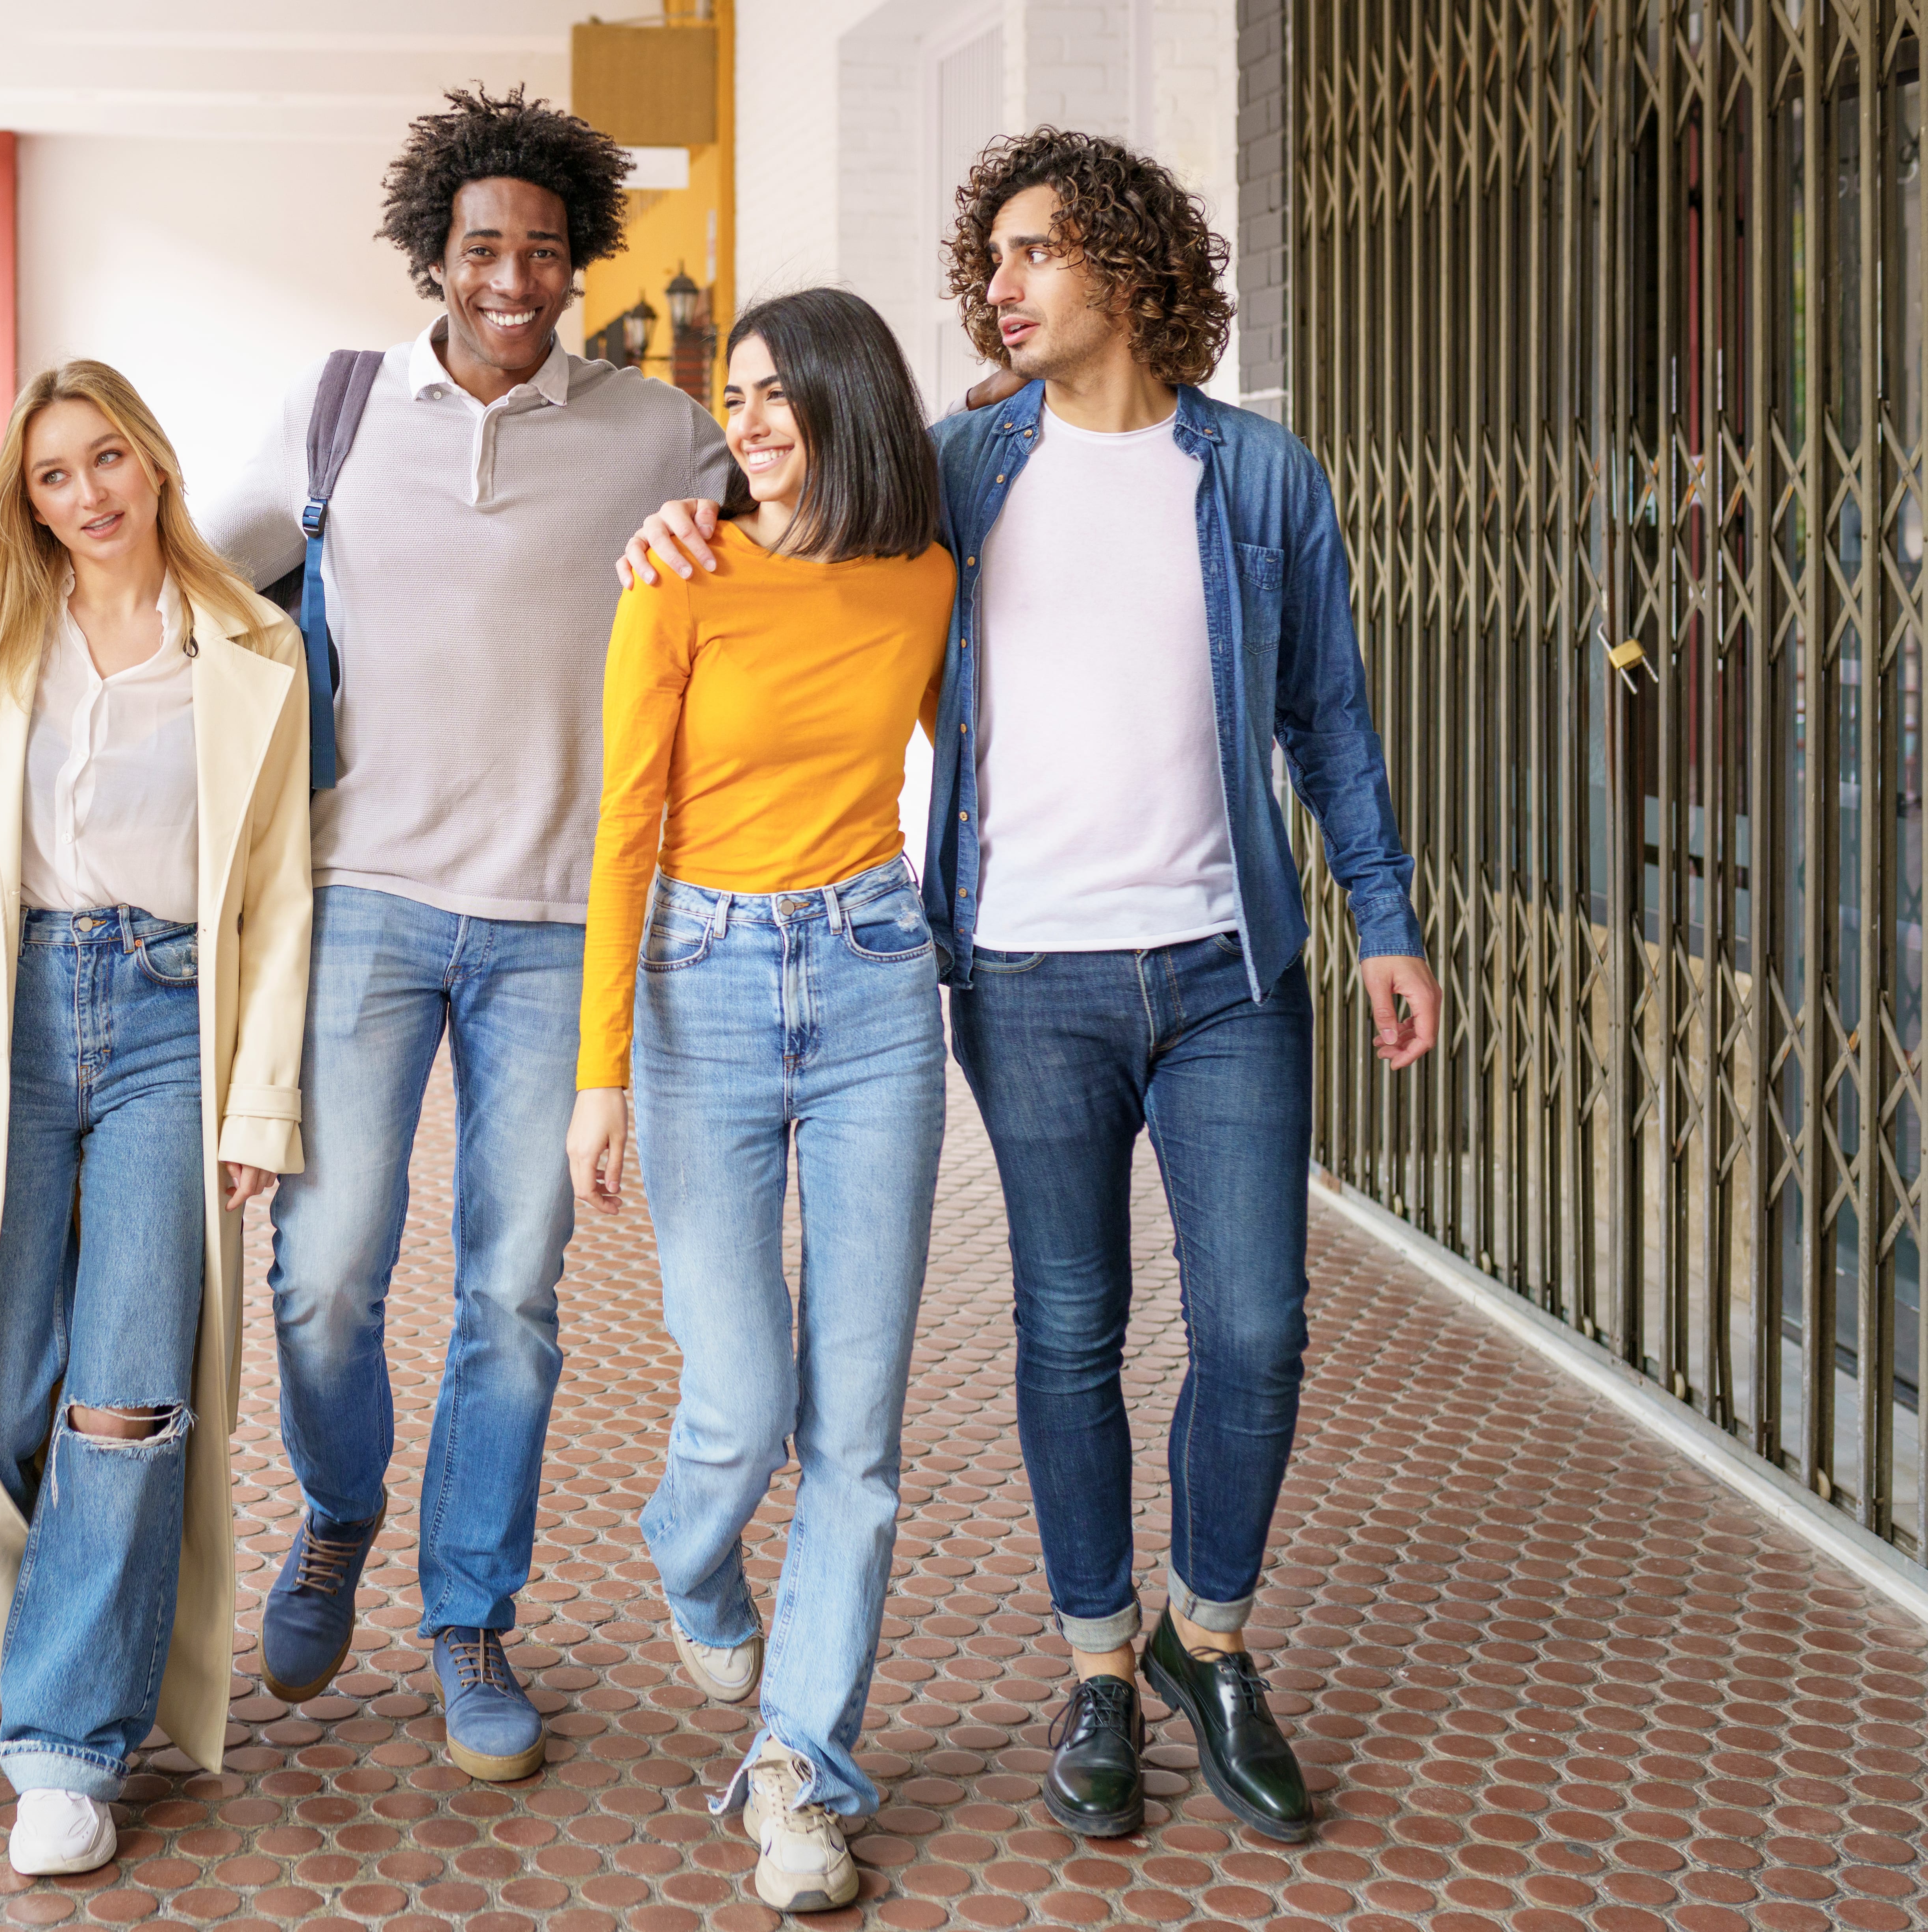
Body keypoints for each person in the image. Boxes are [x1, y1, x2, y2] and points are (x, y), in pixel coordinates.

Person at [622, 128, 1441, 1848]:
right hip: (1022, 973)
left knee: (1254, 1326)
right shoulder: (955, 470)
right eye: (985, 262)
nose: (995, 290)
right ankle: (1094, 1670)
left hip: (1225, 970)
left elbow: (1331, 724)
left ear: (1129, 269)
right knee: (1069, 1331)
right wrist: (676, 525)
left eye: (1030, 255)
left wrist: (1384, 915)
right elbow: (791, 520)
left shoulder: (1260, 479)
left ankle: (1206, 1641)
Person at [194, 85, 732, 1781]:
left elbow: (792, 559)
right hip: (365, 903)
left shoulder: (659, 431)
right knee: (324, 1273)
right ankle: (342, 1514)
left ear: (579, 263)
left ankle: (466, 1609)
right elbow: (188, 588)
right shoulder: (336, 414)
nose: (514, 276)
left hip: (563, 925)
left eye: (544, 250)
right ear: (432, 257)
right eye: (483, 247)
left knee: (513, 1287)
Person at [0, 361, 312, 1878]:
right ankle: (19, 1610)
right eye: (52, 476)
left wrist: (262, 1097)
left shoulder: (251, 643)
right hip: (7, 1018)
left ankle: (67, 1740)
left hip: (171, 1027)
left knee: (127, 1394)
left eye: (105, 458)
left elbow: (281, 891)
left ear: (153, 459)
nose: (86, 496)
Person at [567, 288, 953, 1915]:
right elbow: (624, 829)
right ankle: (688, 1551)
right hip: (699, 990)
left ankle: (800, 1770)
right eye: (735, 394)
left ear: (852, 403)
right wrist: (597, 1074)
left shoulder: (925, 577)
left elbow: (995, 752)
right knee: (741, 1398)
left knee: (855, 1437)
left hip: (875, 980)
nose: (753, 421)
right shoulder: (677, 579)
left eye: (785, 393)